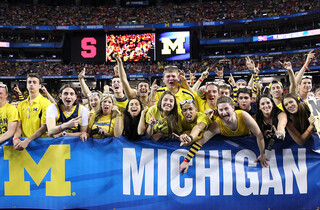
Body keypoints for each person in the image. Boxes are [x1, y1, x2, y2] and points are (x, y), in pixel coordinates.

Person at [180, 96, 268, 174]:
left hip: (249, 154)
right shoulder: (216, 125)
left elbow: (259, 135)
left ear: (233, 108)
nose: (224, 112)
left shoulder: (244, 115)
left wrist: (262, 154)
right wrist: (186, 161)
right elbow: (200, 142)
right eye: (221, 110)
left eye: (226, 109)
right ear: (217, 111)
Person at [13, 73, 51, 150]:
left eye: (34, 82)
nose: (31, 84)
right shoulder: (21, 104)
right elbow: (19, 126)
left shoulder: (46, 103)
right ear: (26, 85)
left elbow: (44, 128)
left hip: (41, 145)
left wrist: (27, 141)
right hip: (24, 144)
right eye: (29, 82)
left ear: (40, 86)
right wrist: (15, 138)